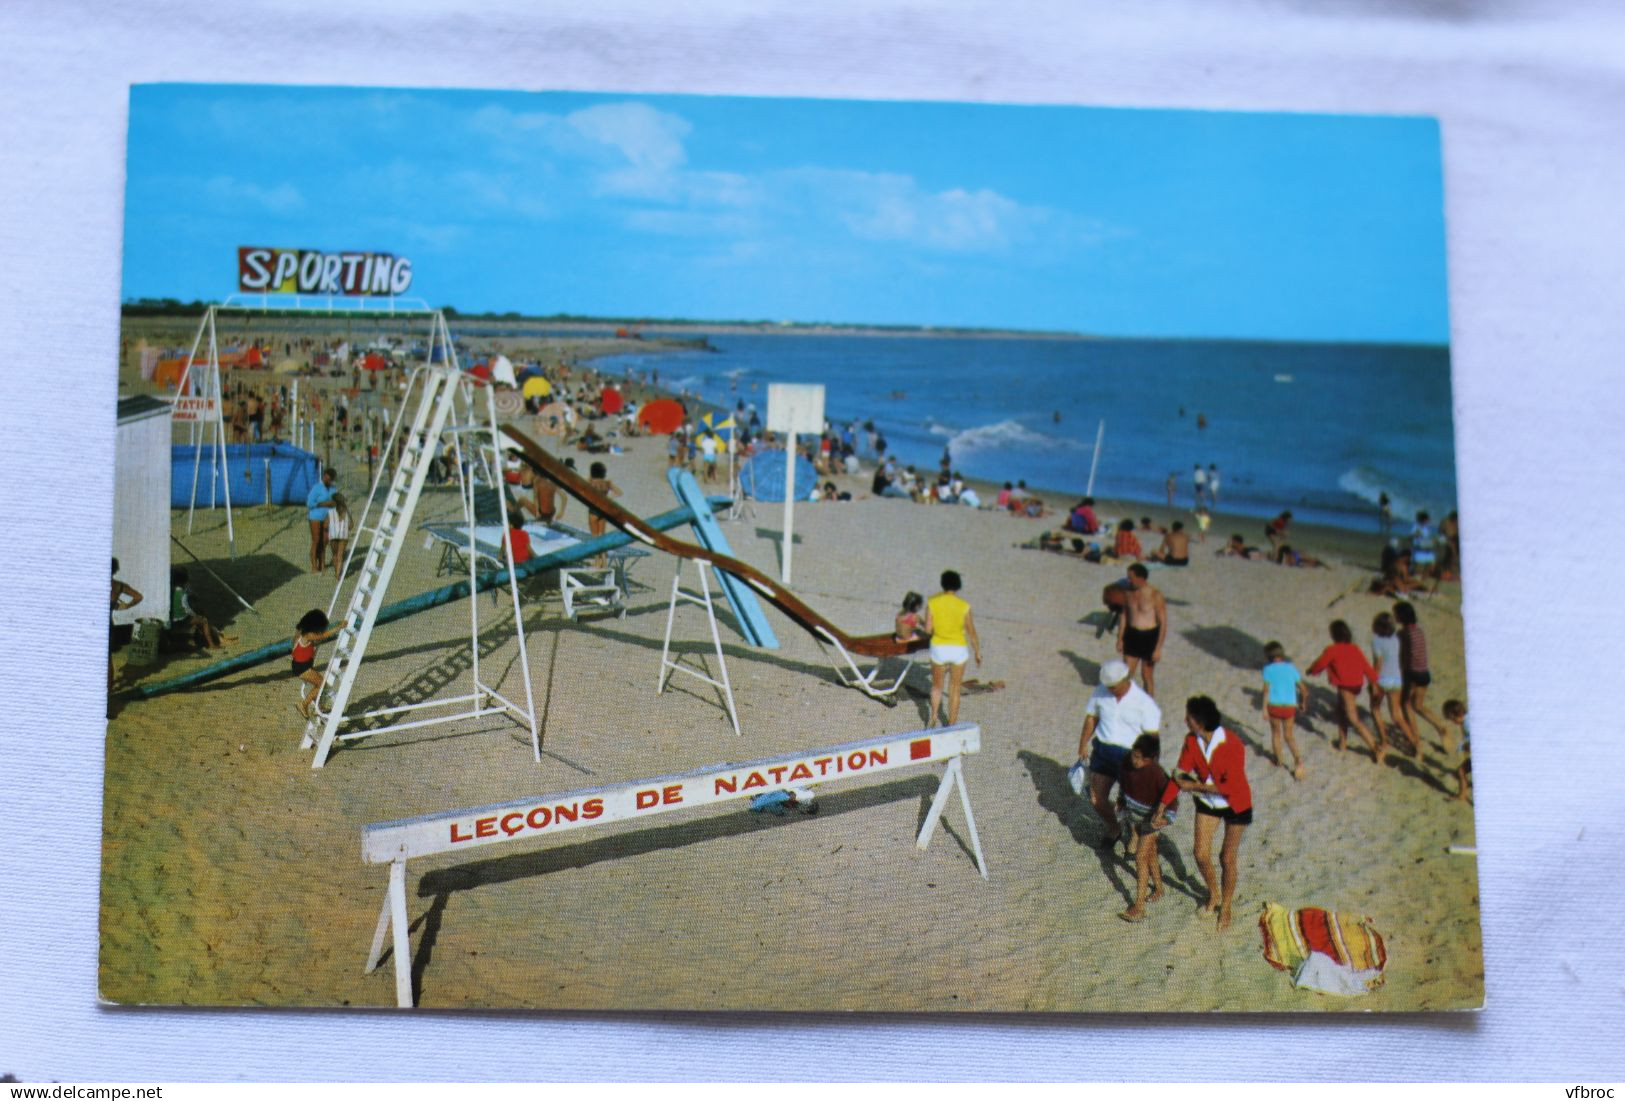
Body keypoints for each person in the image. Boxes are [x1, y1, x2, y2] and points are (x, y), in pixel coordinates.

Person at [1162, 695, 1252, 930]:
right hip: (1208, 803)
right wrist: (1163, 804)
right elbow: (1180, 774)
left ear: (1200, 722)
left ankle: (1227, 905)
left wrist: (1193, 786)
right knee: (1201, 854)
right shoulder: (1191, 741)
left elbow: (1229, 787)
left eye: (1189, 717)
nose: (1185, 720)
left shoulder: (1233, 744)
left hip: (1235, 803)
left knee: (1226, 857)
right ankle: (1214, 893)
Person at [1074, 659, 1162, 849]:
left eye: (1115, 687)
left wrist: (1152, 766)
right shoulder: (1100, 692)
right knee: (1096, 798)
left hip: (1131, 757)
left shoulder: (1144, 702)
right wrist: (1083, 743)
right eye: (1109, 687)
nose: (1111, 690)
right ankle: (1114, 828)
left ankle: (1136, 836)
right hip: (1104, 752)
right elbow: (1091, 718)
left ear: (1127, 679)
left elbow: (1152, 737)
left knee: (1133, 803)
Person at [1116, 733, 1175, 923]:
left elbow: (1172, 802)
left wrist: (1165, 820)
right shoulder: (1126, 763)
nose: (1136, 761)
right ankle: (1159, 888)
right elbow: (1123, 786)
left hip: (1151, 820)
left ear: (1152, 759)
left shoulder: (1157, 774)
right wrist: (1121, 804)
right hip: (1135, 817)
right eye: (1135, 755)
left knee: (1140, 857)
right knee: (1150, 855)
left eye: (1141, 758)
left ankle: (1139, 906)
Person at [1307, 619, 1384, 763]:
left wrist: (1312, 670)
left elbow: (1321, 663)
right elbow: (1367, 667)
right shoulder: (1355, 648)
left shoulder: (1332, 649)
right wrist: (1374, 682)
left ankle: (1376, 748)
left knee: (1353, 718)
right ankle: (1343, 742)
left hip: (1345, 686)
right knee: (1340, 711)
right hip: (1356, 684)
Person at [924, 570, 981, 727]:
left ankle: (933, 717)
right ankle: (951, 723)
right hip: (958, 649)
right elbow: (972, 632)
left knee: (936, 686)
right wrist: (977, 652)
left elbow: (928, 630)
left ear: (943, 584)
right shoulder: (964, 606)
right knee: (954, 688)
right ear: (958, 586)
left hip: (939, 648)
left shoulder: (932, 603)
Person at [1394, 600, 1450, 748]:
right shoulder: (1419, 631)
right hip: (1424, 673)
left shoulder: (1402, 633)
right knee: (1418, 706)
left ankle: (1415, 739)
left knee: (1405, 704)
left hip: (1411, 673)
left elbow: (1402, 656)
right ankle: (1440, 726)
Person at [1370, 612, 1420, 755]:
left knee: (1375, 709)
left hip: (1382, 679)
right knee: (1397, 716)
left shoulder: (1376, 641)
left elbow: (1378, 664)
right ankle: (1414, 741)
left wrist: (1373, 683)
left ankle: (1384, 742)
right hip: (1396, 679)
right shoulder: (1396, 639)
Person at [1116, 563, 1167, 697]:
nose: (1128, 580)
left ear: (1141, 578)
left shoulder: (1155, 595)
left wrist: (1158, 648)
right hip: (1132, 634)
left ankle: (1149, 707)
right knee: (1127, 673)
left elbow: (1163, 623)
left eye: (1131, 577)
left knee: (1147, 675)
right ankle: (1125, 703)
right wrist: (1120, 638)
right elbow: (1124, 616)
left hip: (1149, 636)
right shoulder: (1127, 593)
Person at [1260, 641, 1308, 779]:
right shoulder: (1291, 668)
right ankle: (1298, 759)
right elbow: (1304, 690)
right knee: (1289, 735)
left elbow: (1266, 691)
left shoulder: (1268, 669)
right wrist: (1303, 703)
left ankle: (1278, 760)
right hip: (1289, 707)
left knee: (1276, 733)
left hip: (1274, 706)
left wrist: (1264, 709)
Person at [169, 567, 232, 650]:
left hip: (171, 619)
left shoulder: (170, 591)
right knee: (204, 621)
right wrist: (197, 615)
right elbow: (187, 608)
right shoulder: (183, 594)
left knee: (196, 618)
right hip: (180, 620)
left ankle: (208, 638)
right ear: (184, 581)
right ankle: (212, 644)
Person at [292, 608, 338, 719]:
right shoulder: (307, 635)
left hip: (301, 665)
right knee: (321, 684)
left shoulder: (300, 633)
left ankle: (319, 707)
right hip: (302, 667)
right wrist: (339, 627)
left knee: (320, 683)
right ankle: (303, 704)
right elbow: (322, 636)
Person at [110, 558, 143, 695]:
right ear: (115, 570)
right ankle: (109, 689)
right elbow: (138, 596)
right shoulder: (118, 586)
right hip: (108, 626)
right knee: (107, 659)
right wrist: (123, 606)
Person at [587, 461, 622, 566]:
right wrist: (608, 499)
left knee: (595, 537)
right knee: (602, 536)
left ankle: (597, 561)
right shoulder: (607, 483)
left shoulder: (591, 482)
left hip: (593, 510)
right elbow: (619, 492)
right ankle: (604, 561)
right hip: (603, 511)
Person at [305, 467, 338, 573]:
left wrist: (331, 515)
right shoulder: (317, 488)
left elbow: (335, 504)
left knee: (325, 541)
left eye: (329, 479)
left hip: (327, 517)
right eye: (325, 478)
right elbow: (309, 503)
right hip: (315, 516)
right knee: (316, 540)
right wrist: (324, 503)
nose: (326, 480)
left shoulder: (334, 489)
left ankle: (322, 564)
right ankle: (314, 566)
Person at [1443, 699, 1471, 803]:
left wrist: (1463, 746)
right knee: (1461, 771)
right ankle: (1462, 795)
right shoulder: (1469, 719)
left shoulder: (1467, 725)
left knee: (1461, 771)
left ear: (1455, 715)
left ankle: (1462, 795)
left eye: (1452, 719)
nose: (1452, 722)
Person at [325, 493, 351, 580]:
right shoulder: (347, 512)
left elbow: (325, 525)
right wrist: (345, 527)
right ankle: (338, 574)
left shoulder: (330, 512)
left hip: (333, 535)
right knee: (340, 556)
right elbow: (352, 525)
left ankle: (336, 570)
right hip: (343, 535)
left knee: (335, 555)